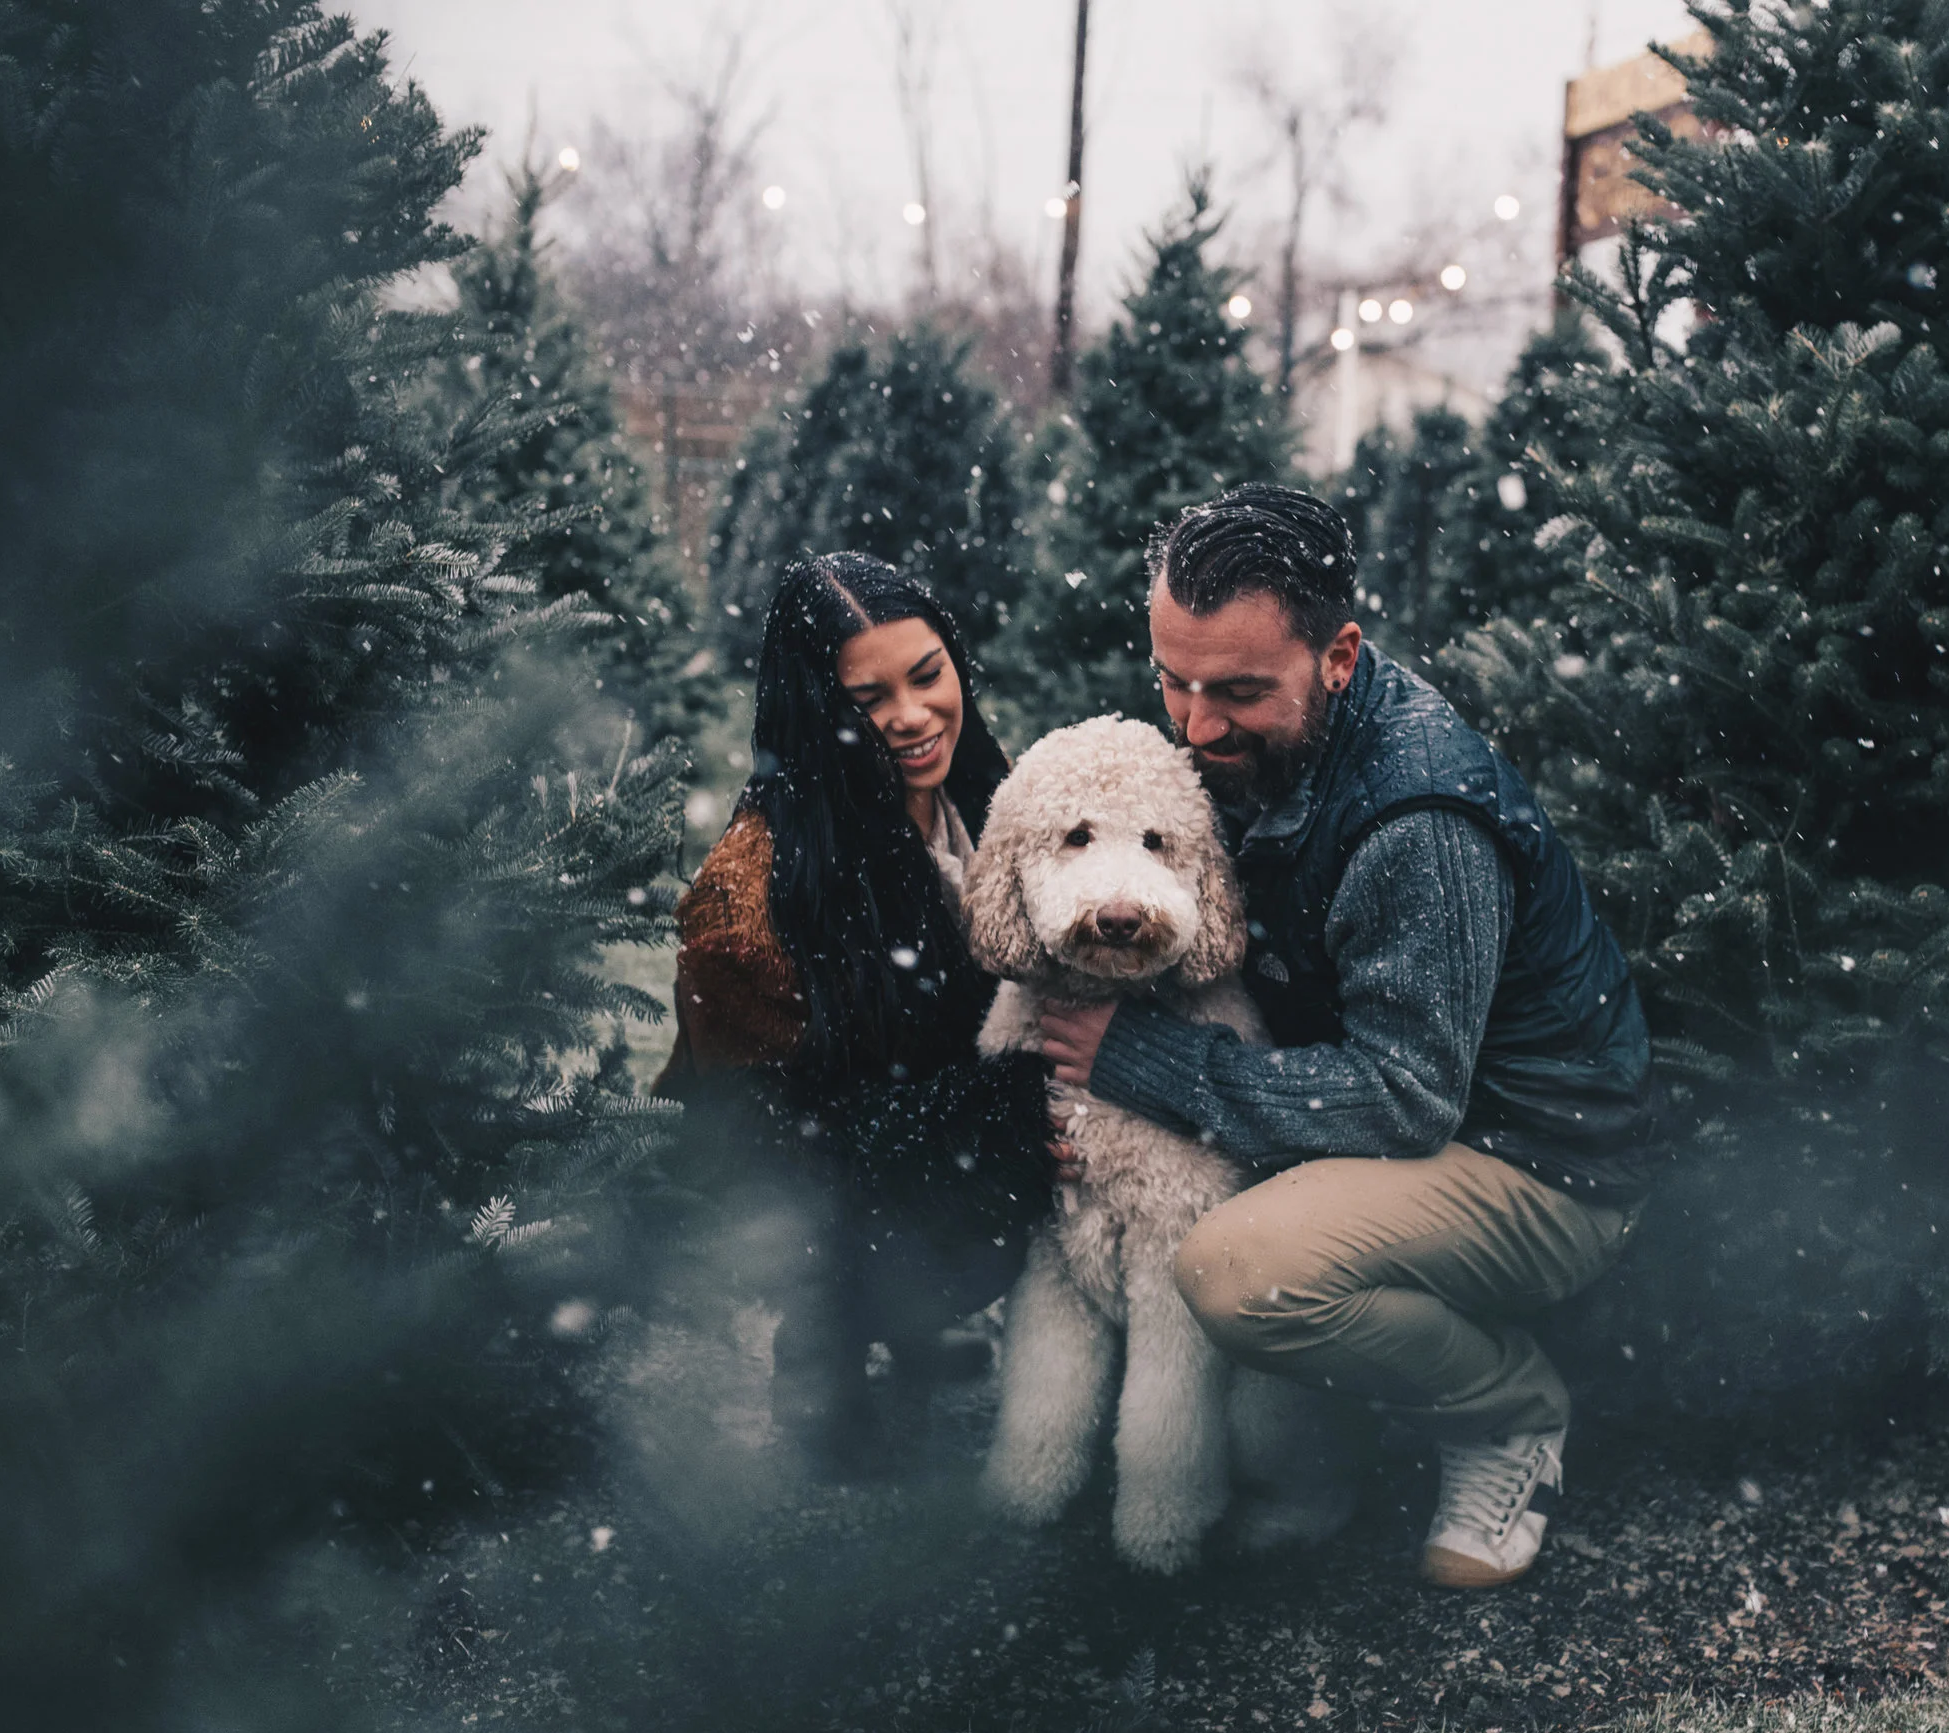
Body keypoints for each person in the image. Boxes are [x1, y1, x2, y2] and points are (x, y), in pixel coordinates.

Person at [1034, 483, 1660, 1588]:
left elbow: (1401, 1099)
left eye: (1235, 691)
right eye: (1171, 679)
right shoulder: (1258, 750)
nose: (1193, 723)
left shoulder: (1414, 820)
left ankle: (1508, 1410)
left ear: (1338, 654)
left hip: (1536, 1157)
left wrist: (1134, 1062)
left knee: (1237, 1270)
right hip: (1406, 1127)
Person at [654, 554, 1052, 1471]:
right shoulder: (752, 890)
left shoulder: (986, 799)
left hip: (922, 1135)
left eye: (927, 675)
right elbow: (767, 1144)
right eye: (868, 699)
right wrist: (1009, 1116)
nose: (913, 717)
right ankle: (826, 1342)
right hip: (813, 1188)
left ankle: (906, 1308)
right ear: (817, 713)